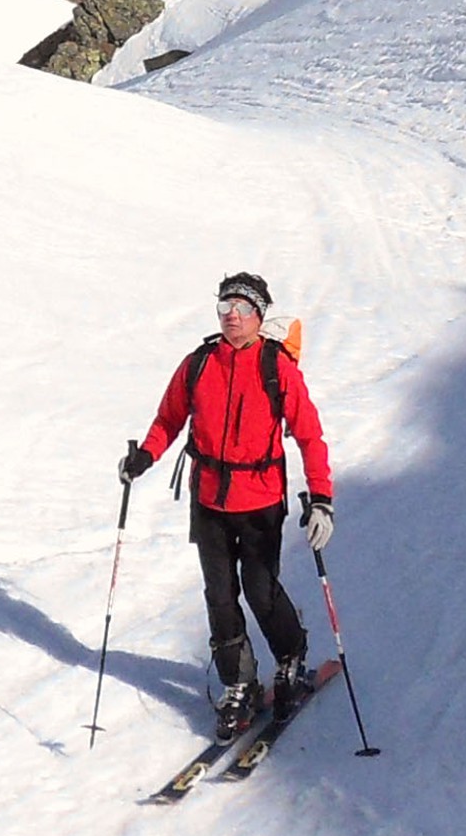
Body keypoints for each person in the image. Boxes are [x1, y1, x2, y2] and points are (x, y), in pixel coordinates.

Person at [121, 270, 335, 735]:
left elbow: (309, 436)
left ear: (259, 315)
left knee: (260, 589)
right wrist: (144, 457)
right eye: (224, 309)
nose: (231, 318)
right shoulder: (199, 363)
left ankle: (291, 656)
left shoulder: (277, 368)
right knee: (219, 595)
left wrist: (322, 499)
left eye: (240, 309)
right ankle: (238, 683)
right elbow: (169, 418)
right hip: (210, 500)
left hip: (260, 500)